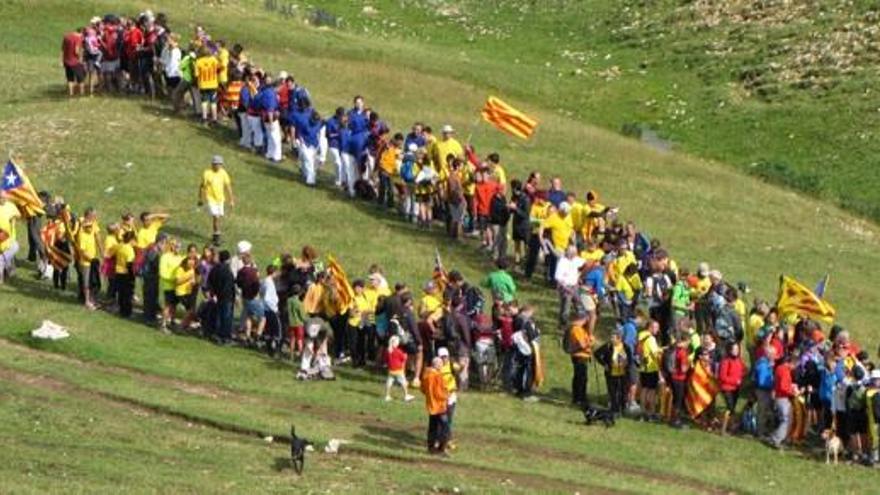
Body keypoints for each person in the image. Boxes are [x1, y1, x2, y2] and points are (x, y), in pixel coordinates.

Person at [198, 155, 234, 246]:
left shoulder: (223, 173)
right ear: (212, 164)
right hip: (211, 199)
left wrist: (231, 199)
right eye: (216, 164)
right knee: (216, 217)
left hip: (220, 199)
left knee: (218, 217)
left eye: (220, 164)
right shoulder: (207, 173)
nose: (218, 166)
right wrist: (200, 199)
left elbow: (228, 186)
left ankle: (215, 235)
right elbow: (202, 187)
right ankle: (217, 237)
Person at [420, 356, 450, 455]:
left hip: (431, 404)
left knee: (432, 427)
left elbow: (423, 389)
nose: (442, 366)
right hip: (440, 406)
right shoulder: (437, 376)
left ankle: (431, 447)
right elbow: (439, 392)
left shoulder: (426, 374)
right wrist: (447, 395)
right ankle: (442, 448)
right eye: (441, 364)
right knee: (445, 428)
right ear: (437, 365)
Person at [769, 352, 799, 449]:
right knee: (785, 420)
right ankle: (776, 439)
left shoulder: (780, 368)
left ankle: (779, 438)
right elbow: (783, 387)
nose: (794, 368)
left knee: (787, 419)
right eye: (795, 365)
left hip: (780, 396)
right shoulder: (784, 371)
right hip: (782, 398)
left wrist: (791, 386)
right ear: (791, 363)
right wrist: (793, 392)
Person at [207, 249, 235, 345]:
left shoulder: (215, 268)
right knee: (226, 318)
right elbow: (228, 286)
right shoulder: (227, 270)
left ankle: (216, 334)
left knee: (218, 316)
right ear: (228, 259)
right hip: (226, 297)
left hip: (217, 296)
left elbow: (210, 282)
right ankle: (225, 337)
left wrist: (214, 294)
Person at [718, 342, 746, 434]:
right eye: (734, 349)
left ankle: (731, 426)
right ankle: (723, 429)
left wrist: (743, 374)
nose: (736, 351)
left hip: (736, 388)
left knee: (732, 408)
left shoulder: (739, 360)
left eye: (737, 349)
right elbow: (722, 377)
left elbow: (742, 370)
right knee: (730, 408)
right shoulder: (725, 361)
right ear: (729, 350)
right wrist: (735, 381)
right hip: (727, 388)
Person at [637, 319, 662, 419]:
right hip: (651, 367)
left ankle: (642, 411)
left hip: (643, 367)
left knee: (644, 389)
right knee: (651, 391)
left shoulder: (641, 336)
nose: (658, 330)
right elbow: (655, 354)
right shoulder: (651, 339)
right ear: (650, 327)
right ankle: (650, 412)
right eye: (656, 327)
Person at [567, 313, 592, 408]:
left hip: (583, 356)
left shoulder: (582, 329)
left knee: (581, 377)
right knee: (580, 378)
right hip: (579, 356)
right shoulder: (576, 329)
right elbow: (582, 345)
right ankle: (579, 398)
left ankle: (580, 397)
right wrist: (589, 343)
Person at [194, 46, 220, 124]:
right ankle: (214, 118)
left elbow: (196, 74)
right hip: (213, 84)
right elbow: (219, 68)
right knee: (213, 102)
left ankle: (204, 117)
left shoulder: (198, 62)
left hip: (203, 84)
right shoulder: (214, 60)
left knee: (204, 101)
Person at [0, 192, 22, 284]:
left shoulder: (11, 206)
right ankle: (7, 273)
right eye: (2, 198)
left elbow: (18, 215)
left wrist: (14, 217)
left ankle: (5, 275)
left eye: (5, 198)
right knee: (3, 258)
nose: (4, 200)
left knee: (3, 258)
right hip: (1, 236)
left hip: (9, 238)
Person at [384, 335, 414, 402]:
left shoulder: (388, 351)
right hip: (398, 370)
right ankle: (406, 395)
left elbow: (386, 359)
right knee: (404, 383)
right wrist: (405, 356)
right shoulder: (398, 351)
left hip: (391, 370)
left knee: (389, 382)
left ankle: (387, 395)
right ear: (396, 343)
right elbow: (403, 358)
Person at [114, 230, 137, 318]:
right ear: (131, 240)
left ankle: (121, 310)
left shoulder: (121, 246)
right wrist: (132, 277)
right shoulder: (129, 250)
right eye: (134, 240)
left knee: (121, 293)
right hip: (126, 274)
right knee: (127, 294)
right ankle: (127, 312)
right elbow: (129, 265)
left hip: (118, 272)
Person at [61, 28, 85, 97]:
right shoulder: (78, 38)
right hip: (75, 62)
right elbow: (76, 50)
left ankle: (71, 93)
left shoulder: (66, 37)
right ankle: (81, 93)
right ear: (81, 33)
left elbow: (63, 49)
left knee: (70, 78)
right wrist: (80, 57)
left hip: (66, 61)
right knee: (81, 78)